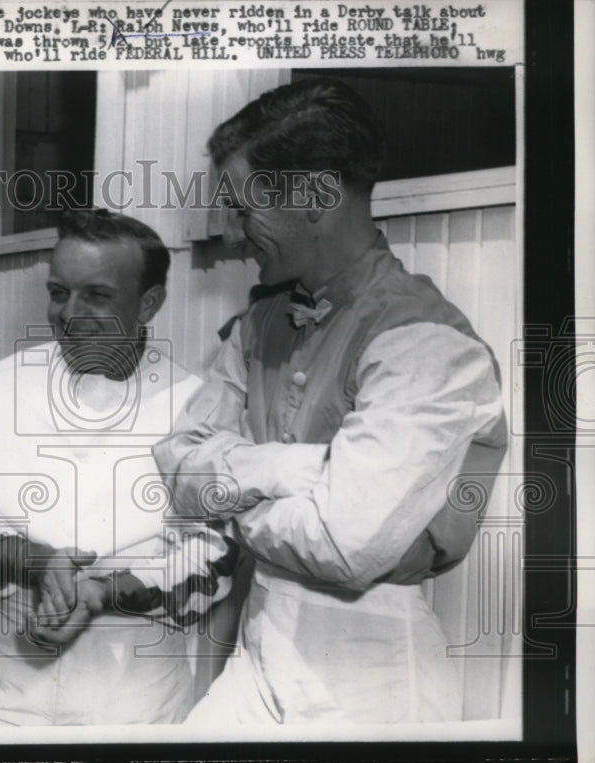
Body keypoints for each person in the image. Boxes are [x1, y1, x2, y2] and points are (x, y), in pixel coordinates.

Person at [153, 78, 508, 725]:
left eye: (243, 208)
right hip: (257, 651)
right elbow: (175, 466)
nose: (234, 235)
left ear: (315, 197)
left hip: (370, 672)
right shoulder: (258, 325)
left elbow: (346, 546)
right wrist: (296, 472)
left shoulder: (428, 342)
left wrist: (229, 489)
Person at [0, 209, 239, 726]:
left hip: (136, 691)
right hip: (8, 682)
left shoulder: (196, 407)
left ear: (149, 303)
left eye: (96, 295)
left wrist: (101, 594)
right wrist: (35, 562)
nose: (68, 313)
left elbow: (215, 552)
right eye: (57, 292)